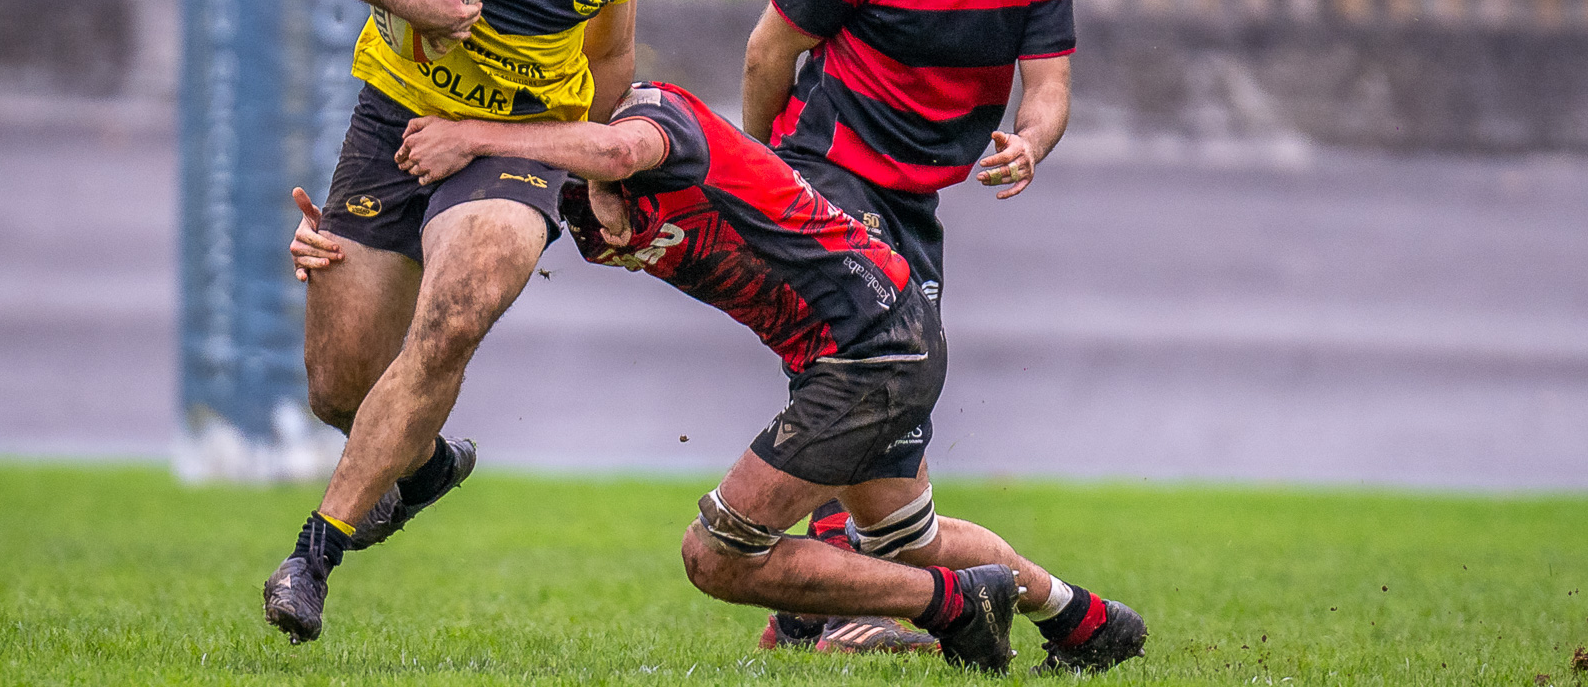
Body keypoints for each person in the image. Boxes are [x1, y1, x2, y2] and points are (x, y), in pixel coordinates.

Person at [288, 81, 1147, 674]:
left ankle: (954, 609)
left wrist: (474, 132)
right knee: (905, 535)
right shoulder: (562, 197)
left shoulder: (656, 122)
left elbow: (619, 142)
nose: (603, 240)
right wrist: (341, 256)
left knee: (718, 557)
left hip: (869, 347)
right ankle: (1084, 620)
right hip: (868, 343)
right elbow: (456, 276)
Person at [262, 0, 665, 644]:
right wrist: (412, 3)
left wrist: (586, 180)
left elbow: (612, 54)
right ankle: (426, 464)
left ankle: (311, 558)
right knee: (339, 390)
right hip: (393, 126)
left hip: (517, 145)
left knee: (458, 311)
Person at [739, 0, 1075, 652]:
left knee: (898, 393)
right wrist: (765, 175)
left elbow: (1049, 86)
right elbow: (768, 52)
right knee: (875, 363)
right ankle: (845, 594)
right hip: (830, 168)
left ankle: (831, 597)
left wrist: (1030, 141)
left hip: (916, 194)